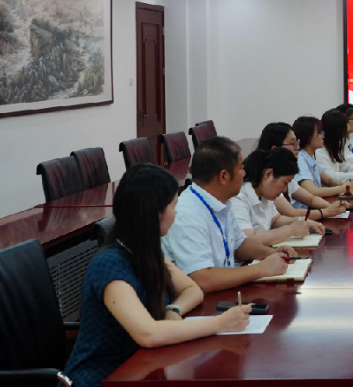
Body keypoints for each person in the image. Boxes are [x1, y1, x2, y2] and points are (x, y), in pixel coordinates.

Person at [65, 164, 252, 387]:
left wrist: (174, 310)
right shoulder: (109, 264)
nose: (176, 213)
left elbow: (192, 289)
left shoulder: (146, 250)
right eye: (173, 205)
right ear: (155, 213)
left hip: (142, 369)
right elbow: (148, 334)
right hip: (103, 379)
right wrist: (220, 323)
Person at [162, 136, 297, 293]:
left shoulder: (221, 202)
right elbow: (202, 279)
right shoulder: (188, 215)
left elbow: (239, 245)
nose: (244, 173)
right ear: (224, 176)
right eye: (241, 168)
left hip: (223, 292)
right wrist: (261, 269)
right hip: (202, 302)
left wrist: (273, 254)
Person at [229, 147, 324, 245]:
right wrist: (291, 229)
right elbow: (247, 240)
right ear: (268, 174)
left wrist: (301, 221)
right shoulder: (238, 198)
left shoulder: (265, 194)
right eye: (285, 183)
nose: (284, 190)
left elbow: (275, 220)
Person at [255, 122, 348, 219]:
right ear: (275, 149)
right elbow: (291, 213)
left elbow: (310, 199)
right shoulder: (268, 177)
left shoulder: (285, 171)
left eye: (297, 142)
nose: (297, 147)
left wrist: (331, 207)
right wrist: (326, 212)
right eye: (293, 143)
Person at [292, 115, 353, 206]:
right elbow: (312, 191)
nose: (323, 136)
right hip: (305, 210)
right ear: (309, 138)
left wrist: (345, 183)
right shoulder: (300, 159)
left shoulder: (310, 157)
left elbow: (328, 180)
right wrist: (343, 188)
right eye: (319, 133)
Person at [315, 109, 353, 184]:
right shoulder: (320, 150)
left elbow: (344, 166)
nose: (347, 128)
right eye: (345, 126)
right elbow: (330, 176)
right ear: (337, 130)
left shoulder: (333, 146)